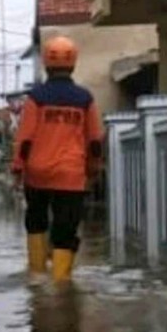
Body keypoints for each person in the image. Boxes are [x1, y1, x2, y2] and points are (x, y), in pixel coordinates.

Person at [12, 36, 105, 283]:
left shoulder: (36, 97)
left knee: (36, 221)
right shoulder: (85, 99)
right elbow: (94, 140)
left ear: (46, 63)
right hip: (71, 175)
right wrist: (93, 170)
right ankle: (61, 285)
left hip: (37, 173)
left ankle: (36, 276)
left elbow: (25, 139)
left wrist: (17, 169)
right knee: (65, 230)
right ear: (73, 64)